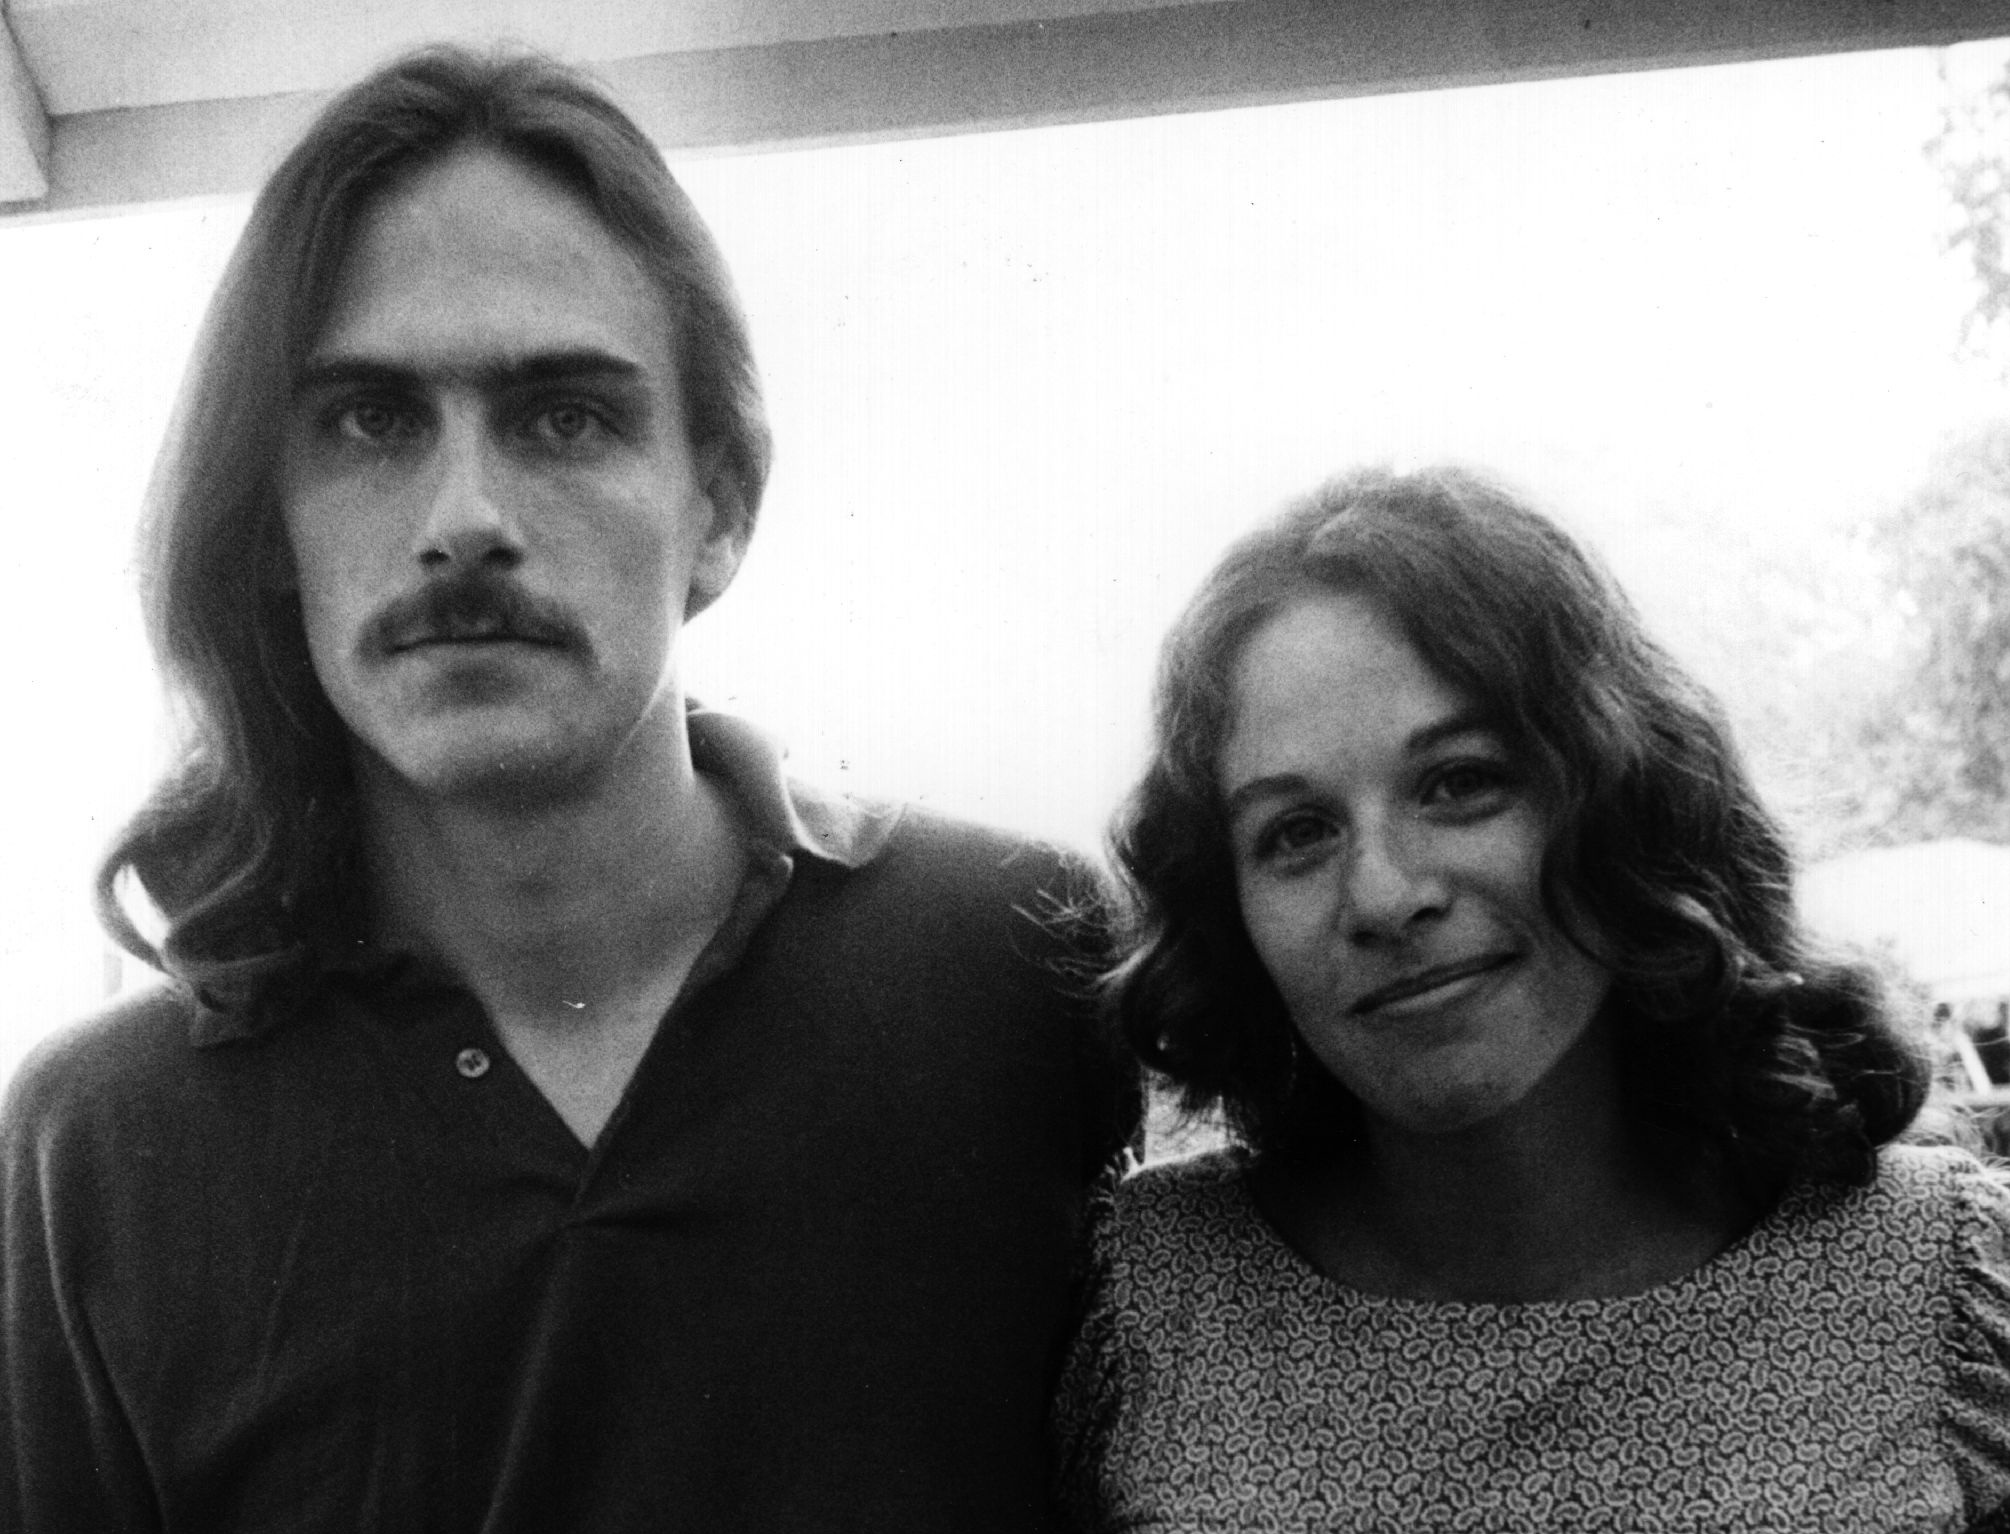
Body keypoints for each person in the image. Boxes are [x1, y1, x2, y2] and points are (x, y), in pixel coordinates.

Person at [0, 46, 1137, 1532]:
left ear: (718, 506)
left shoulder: (1016, 962)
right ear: (268, 521)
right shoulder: (94, 1150)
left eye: (564, 416)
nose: (464, 519)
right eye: (367, 420)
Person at [1053, 466, 2010, 1531]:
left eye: (1460, 781)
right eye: (1296, 831)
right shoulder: (1153, 1302)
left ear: (1621, 796)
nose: (1382, 894)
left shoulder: (1939, 1287)